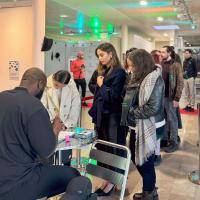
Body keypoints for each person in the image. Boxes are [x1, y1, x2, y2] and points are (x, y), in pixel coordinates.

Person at [0, 68, 80, 200]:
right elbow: (46, 150)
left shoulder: (2, 97)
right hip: (19, 180)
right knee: (73, 175)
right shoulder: (34, 106)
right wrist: (55, 129)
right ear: (40, 84)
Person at [121, 49, 164, 200]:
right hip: (137, 125)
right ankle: (150, 188)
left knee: (145, 161)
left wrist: (131, 112)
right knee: (137, 157)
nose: (131, 69)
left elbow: (153, 107)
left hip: (150, 125)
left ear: (141, 63)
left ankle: (149, 192)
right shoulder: (138, 76)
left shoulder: (155, 79)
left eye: (133, 65)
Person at [88, 42, 126, 197]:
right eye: (98, 55)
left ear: (111, 53)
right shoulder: (100, 69)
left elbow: (114, 98)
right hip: (100, 114)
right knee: (102, 147)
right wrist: (101, 89)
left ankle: (112, 181)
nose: (100, 58)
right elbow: (92, 84)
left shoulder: (119, 72)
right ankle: (109, 179)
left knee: (113, 148)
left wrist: (102, 87)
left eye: (102, 55)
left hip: (113, 117)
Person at [41, 70, 81, 165]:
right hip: (50, 123)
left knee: (66, 150)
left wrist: (66, 124)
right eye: (56, 85)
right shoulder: (46, 84)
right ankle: (49, 169)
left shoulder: (71, 86)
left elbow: (75, 106)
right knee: (50, 151)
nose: (58, 88)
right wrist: (53, 121)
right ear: (53, 78)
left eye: (61, 86)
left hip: (66, 124)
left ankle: (65, 168)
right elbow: (42, 106)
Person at [160, 46, 184, 153]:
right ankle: (164, 140)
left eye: (163, 52)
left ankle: (174, 141)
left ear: (169, 53)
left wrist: (177, 98)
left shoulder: (176, 65)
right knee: (163, 119)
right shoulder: (161, 64)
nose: (161, 54)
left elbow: (180, 82)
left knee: (172, 120)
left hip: (171, 97)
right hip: (161, 97)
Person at [151, 50, 165, 166]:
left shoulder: (157, 68)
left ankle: (156, 154)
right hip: (155, 105)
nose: (161, 57)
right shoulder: (157, 67)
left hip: (155, 106)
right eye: (159, 55)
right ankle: (156, 154)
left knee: (155, 132)